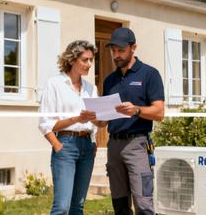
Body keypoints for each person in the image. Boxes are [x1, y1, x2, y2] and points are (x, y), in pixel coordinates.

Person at [98, 27, 165, 215]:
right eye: (113, 51)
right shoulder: (109, 80)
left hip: (137, 145)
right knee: (119, 204)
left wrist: (136, 110)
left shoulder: (150, 74)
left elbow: (159, 112)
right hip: (114, 146)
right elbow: (103, 122)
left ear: (133, 47)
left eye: (121, 50)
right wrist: (94, 118)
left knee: (143, 204)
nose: (116, 55)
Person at [38, 40, 100, 215]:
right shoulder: (54, 84)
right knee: (62, 207)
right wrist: (57, 145)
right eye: (85, 60)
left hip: (87, 146)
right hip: (65, 145)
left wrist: (95, 137)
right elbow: (46, 123)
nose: (89, 64)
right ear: (72, 60)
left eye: (91, 60)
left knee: (77, 206)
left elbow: (96, 122)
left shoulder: (91, 88)